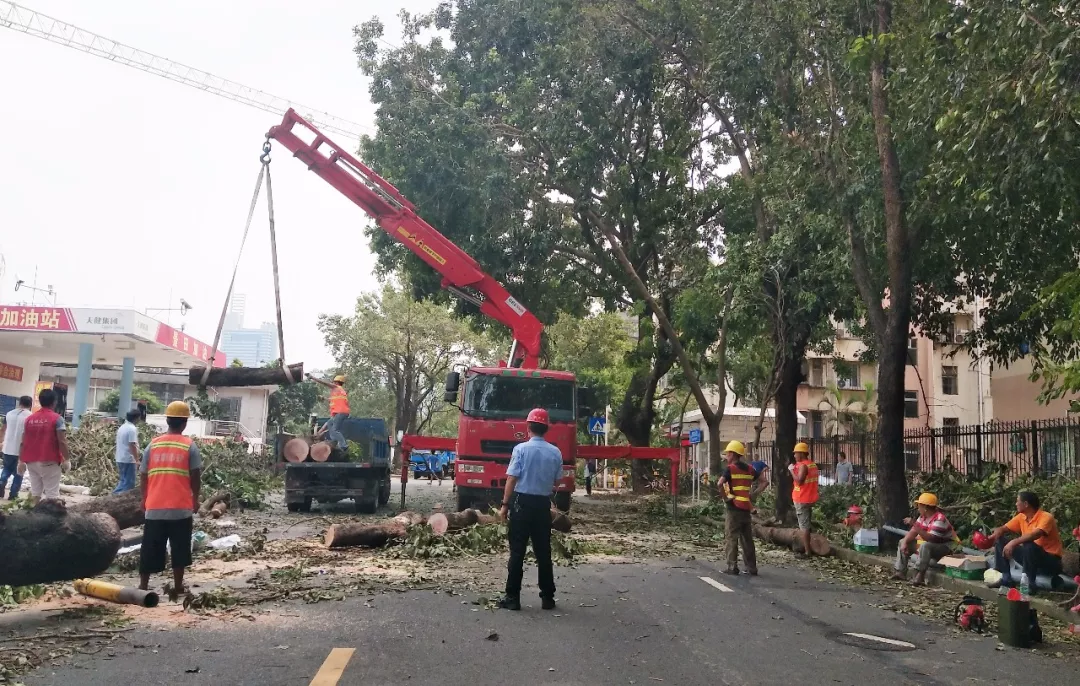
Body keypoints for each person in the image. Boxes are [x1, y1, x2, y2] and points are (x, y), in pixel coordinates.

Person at [497, 408, 563, 611]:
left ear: (528, 427)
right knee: (543, 552)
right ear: (547, 428)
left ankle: (512, 598)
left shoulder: (520, 450)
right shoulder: (555, 452)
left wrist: (504, 505)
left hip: (521, 504)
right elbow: (556, 481)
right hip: (542, 505)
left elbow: (512, 479)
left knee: (517, 551)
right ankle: (548, 597)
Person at [139, 401, 201, 600]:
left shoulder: (153, 445)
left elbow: (143, 474)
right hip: (180, 508)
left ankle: (143, 585)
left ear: (167, 421)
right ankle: (178, 585)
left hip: (155, 506)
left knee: (149, 548)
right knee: (180, 548)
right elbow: (195, 476)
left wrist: (144, 499)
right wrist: (195, 499)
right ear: (184, 423)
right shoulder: (189, 446)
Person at [986, 491, 1063, 594]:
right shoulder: (1021, 517)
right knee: (1000, 540)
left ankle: (1030, 585)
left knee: (1029, 544)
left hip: (1050, 562)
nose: (1016, 504)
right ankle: (1006, 579)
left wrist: (1013, 542)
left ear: (1026, 504)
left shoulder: (1046, 517)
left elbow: (1035, 535)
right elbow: (1004, 528)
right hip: (1030, 559)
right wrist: (996, 533)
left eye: (1017, 501)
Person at [18, 388, 70, 504]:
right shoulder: (57, 419)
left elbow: (23, 442)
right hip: (49, 461)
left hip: (31, 462)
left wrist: (21, 461)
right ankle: (49, 515)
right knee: (52, 495)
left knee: (35, 493)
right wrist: (67, 459)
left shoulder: (29, 419)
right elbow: (62, 441)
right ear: (54, 402)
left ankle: (33, 512)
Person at [892, 492, 955, 585]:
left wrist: (914, 524)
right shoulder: (922, 517)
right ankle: (900, 571)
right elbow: (913, 532)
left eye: (919, 506)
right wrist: (905, 542)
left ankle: (919, 575)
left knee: (925, 545)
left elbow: (931, 539)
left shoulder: (939, 519)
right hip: (928, 546)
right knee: (903, 541)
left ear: (925, 507)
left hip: (944, 548)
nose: (918, 508)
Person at [716, 440, 758, 576]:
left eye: (728, 453)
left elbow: (720, 484)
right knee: (747, 539)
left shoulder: (730, 469)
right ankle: (751, 567)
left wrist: (725, 498)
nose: (726, 456)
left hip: (734, 507)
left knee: (731, 537)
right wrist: (753, 494)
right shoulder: (750, 469)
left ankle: (732, 567)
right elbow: (764, 481)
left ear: (733, 454)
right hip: (746, 507)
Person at [0, 395, 33, 500]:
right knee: (19, 473)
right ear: (30, 405)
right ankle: (13, 495)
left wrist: (1, 442)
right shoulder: (30, 416)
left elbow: (3, 429)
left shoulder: (9, 414)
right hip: (21, 450)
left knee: (6, 468)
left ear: (20, 403)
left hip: (7, 448)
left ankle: (1, 482)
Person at [791, 442, 819, 558]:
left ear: (802, 454)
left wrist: (791, 470)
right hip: (810, 497)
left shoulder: (803, 466)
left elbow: (799, 481)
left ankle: (807, 552)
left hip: (802, 498)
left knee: (804, 527)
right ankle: (808, 546)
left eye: (796, 453)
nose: (794, 456)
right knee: (806, 524)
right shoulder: (812, 464)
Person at [307, 373, 349, 450]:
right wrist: (324, 398)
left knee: (335, 429)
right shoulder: (340, 391)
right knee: (329, 423)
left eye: (334, 381)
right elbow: (333, 400)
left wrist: (312, 377)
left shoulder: (336, 387)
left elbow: (324, 383)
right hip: (340, 413)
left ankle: (343, 445)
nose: (332, 383)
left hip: (340, 412)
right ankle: (334, 441)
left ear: (336, 382)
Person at [113, 409, 141, 494]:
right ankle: (118, 498)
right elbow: (132, 445)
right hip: (128, 459)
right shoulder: (132, 429)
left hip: (120, 457)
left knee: (123, 481)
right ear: (136, 418)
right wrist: (137, 460)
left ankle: (114, 496)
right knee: (129, 484)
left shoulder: (122, 427)